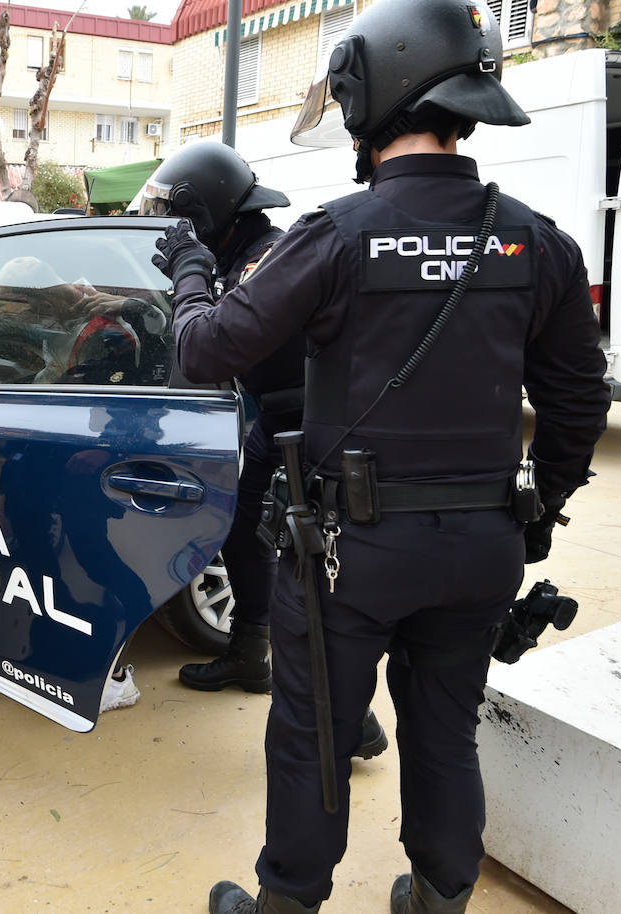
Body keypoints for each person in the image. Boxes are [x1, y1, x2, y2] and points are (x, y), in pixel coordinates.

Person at [152, 1, 610, 911]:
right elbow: (578, 402)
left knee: (313, 733)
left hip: (348, 556)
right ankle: (440, 897)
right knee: (446, 735)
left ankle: (288, 900)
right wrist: (536, 512)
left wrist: (190, 263)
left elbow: (203, 350)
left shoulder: (338, 233)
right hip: (482, 545)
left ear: (372, 96)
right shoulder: (536, 239)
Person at [142, 142, 389, 760]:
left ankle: (353, 720)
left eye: (181, 219)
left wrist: (190, 270)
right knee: (242, 530)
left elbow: (205, 349)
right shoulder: (245, 254)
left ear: (205, 214)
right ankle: (251, 654)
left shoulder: (268, 256)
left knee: (312, 573)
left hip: (317, 431)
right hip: (278, 421)